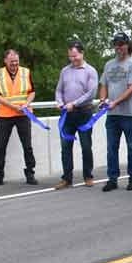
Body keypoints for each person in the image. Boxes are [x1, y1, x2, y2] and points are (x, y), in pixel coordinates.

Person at [98, 32, 132, 192]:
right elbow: (103, 84)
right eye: (116, 45)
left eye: (122, 44)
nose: (119, 48)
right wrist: (103, 100)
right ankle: (112, 178)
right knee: (111, 147)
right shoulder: (109, 64)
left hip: (129, 113)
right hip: (112, 115)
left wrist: (115, 102)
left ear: (128, 45)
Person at [0, 49, 38, 187]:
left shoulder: (25, 72)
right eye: (11, 62)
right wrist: (12, 106)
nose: (14, 64)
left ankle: (30, 174)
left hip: (23, 114)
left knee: (27, 146)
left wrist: (27, 104)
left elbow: (32, 91)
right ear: (5, 61)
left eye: (16, 61)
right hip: (5, 115)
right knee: (1, 147)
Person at [54, 41, 98, 190]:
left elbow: (91, 93)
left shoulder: (90, 71)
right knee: (65, 146)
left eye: (75, 56)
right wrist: (59, 101)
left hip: (84, 112)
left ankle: (88, 176)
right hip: (67, 113)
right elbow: (59, 90)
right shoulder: (65, 71)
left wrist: (75, 103)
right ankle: (67, 178)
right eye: (70, 56)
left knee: (86, 145)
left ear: (82, 53)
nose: (73, 59)